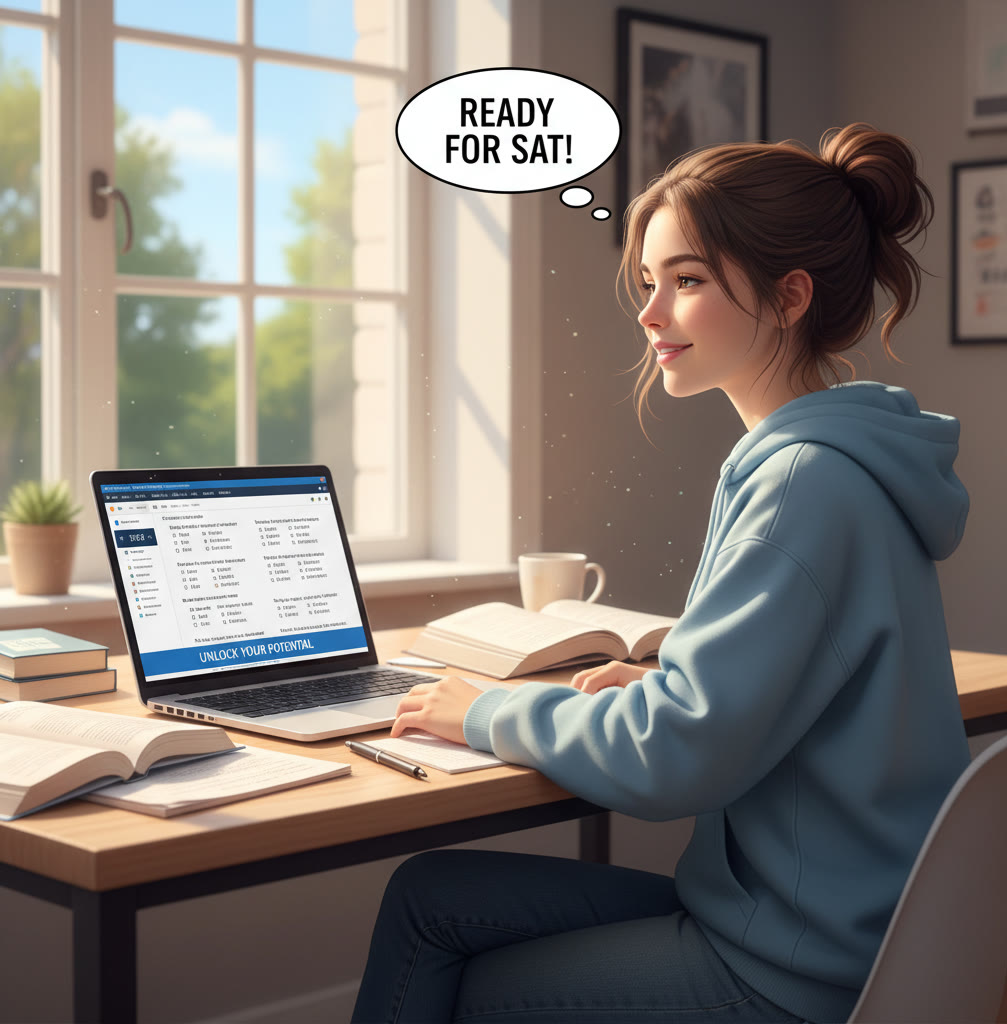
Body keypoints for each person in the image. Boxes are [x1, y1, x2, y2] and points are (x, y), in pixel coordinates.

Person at [351, 123, 971, 1024]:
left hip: (793, 968)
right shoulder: (841, 460)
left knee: (462, 975)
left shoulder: (804, 480)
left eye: (686, 282)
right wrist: (671, 680)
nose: (650, 316)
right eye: (650, 283)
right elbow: (783, 688)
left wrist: (482, 711)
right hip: (848, 927)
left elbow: (673, 758)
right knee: (430, 894)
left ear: (789, 296)